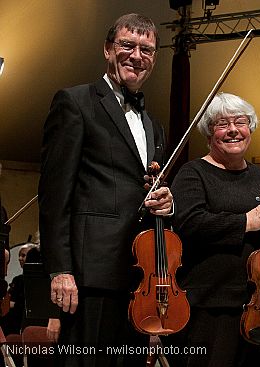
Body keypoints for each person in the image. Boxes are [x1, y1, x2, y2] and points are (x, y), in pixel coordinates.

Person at [38, 13, 173, 367]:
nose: (137, 55)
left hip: (137, 275)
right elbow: (54, 195)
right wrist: (60, 270)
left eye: (147, 49)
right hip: (88, 275)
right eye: (127, 45)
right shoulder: (75, 102)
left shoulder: (153, 125)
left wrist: (165, 199)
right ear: (107, 49)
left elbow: (144, 189)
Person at [167, 92, 260, 367]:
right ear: (209, 134)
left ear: (250, 128)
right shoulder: (193, 173)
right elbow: (190, 223)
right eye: (222, 124)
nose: (233, 130)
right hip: (209, 304)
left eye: (240, 122)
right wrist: (245, 222)